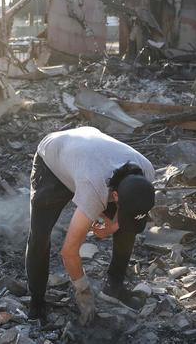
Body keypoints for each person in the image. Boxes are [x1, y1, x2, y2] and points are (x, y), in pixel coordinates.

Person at [26, 126, 155, 324]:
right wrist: (83, 290)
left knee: (127, 227)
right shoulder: (94, 188)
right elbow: (68, 251)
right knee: (39, 237)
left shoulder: (146, 173)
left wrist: (113, 225)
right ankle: (36, 302)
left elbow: (130, 212)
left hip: (89, 157)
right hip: (53, 158)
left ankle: (114, 287)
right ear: (115, 196)